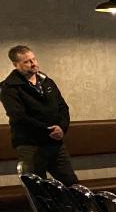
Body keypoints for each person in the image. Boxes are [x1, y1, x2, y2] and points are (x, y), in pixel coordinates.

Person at [1, 45, 77, 184]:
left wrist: (62, 127)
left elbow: (62, 107)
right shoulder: (9, 87)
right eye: (27, 61)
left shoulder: (46, 81)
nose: (34, 63)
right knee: (38, 189)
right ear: (15, 64)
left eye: (34, 59)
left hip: (55, 143)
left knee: (72, 185)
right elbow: (19, 117)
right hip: (31, 146)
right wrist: (48, 130)